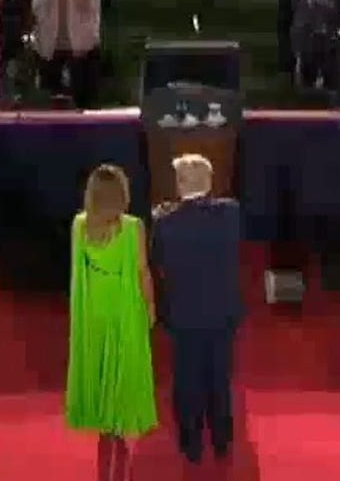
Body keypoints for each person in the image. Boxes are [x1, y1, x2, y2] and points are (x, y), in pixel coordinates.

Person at [67, 164, 160, 478]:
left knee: (100, 361)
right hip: (124, 306)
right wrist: (150, 306)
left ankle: (104, 418)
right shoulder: (134, 227)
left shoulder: (79, 225)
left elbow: (77, 274)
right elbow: (142, 272)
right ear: (122, 193)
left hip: (94, 307)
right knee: (123, 362)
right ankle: (119, 418)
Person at [151, 153, 243, 465]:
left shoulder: (164, 223)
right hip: (222, 312)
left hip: (183, 314)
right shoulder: (231, 213)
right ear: (210, 183)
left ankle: (191, 444)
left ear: (179, 184)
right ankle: (221, 440)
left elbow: (157, 264)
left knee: (187, 379)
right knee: (219, 377)